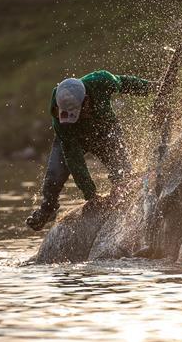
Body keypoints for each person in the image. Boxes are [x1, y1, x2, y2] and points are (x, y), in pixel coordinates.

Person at [26, 70, 155, 231]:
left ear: (86, 100)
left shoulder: (101, 81)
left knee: (123, 174)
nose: (75, 118)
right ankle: (48, 209)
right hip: (72, 138)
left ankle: (123, 188)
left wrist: (152, 88)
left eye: (77, 113)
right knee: (54, 175)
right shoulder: (59, 116)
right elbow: (74, 160)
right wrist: (91, 195)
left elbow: (125, 83)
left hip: (106, 133)